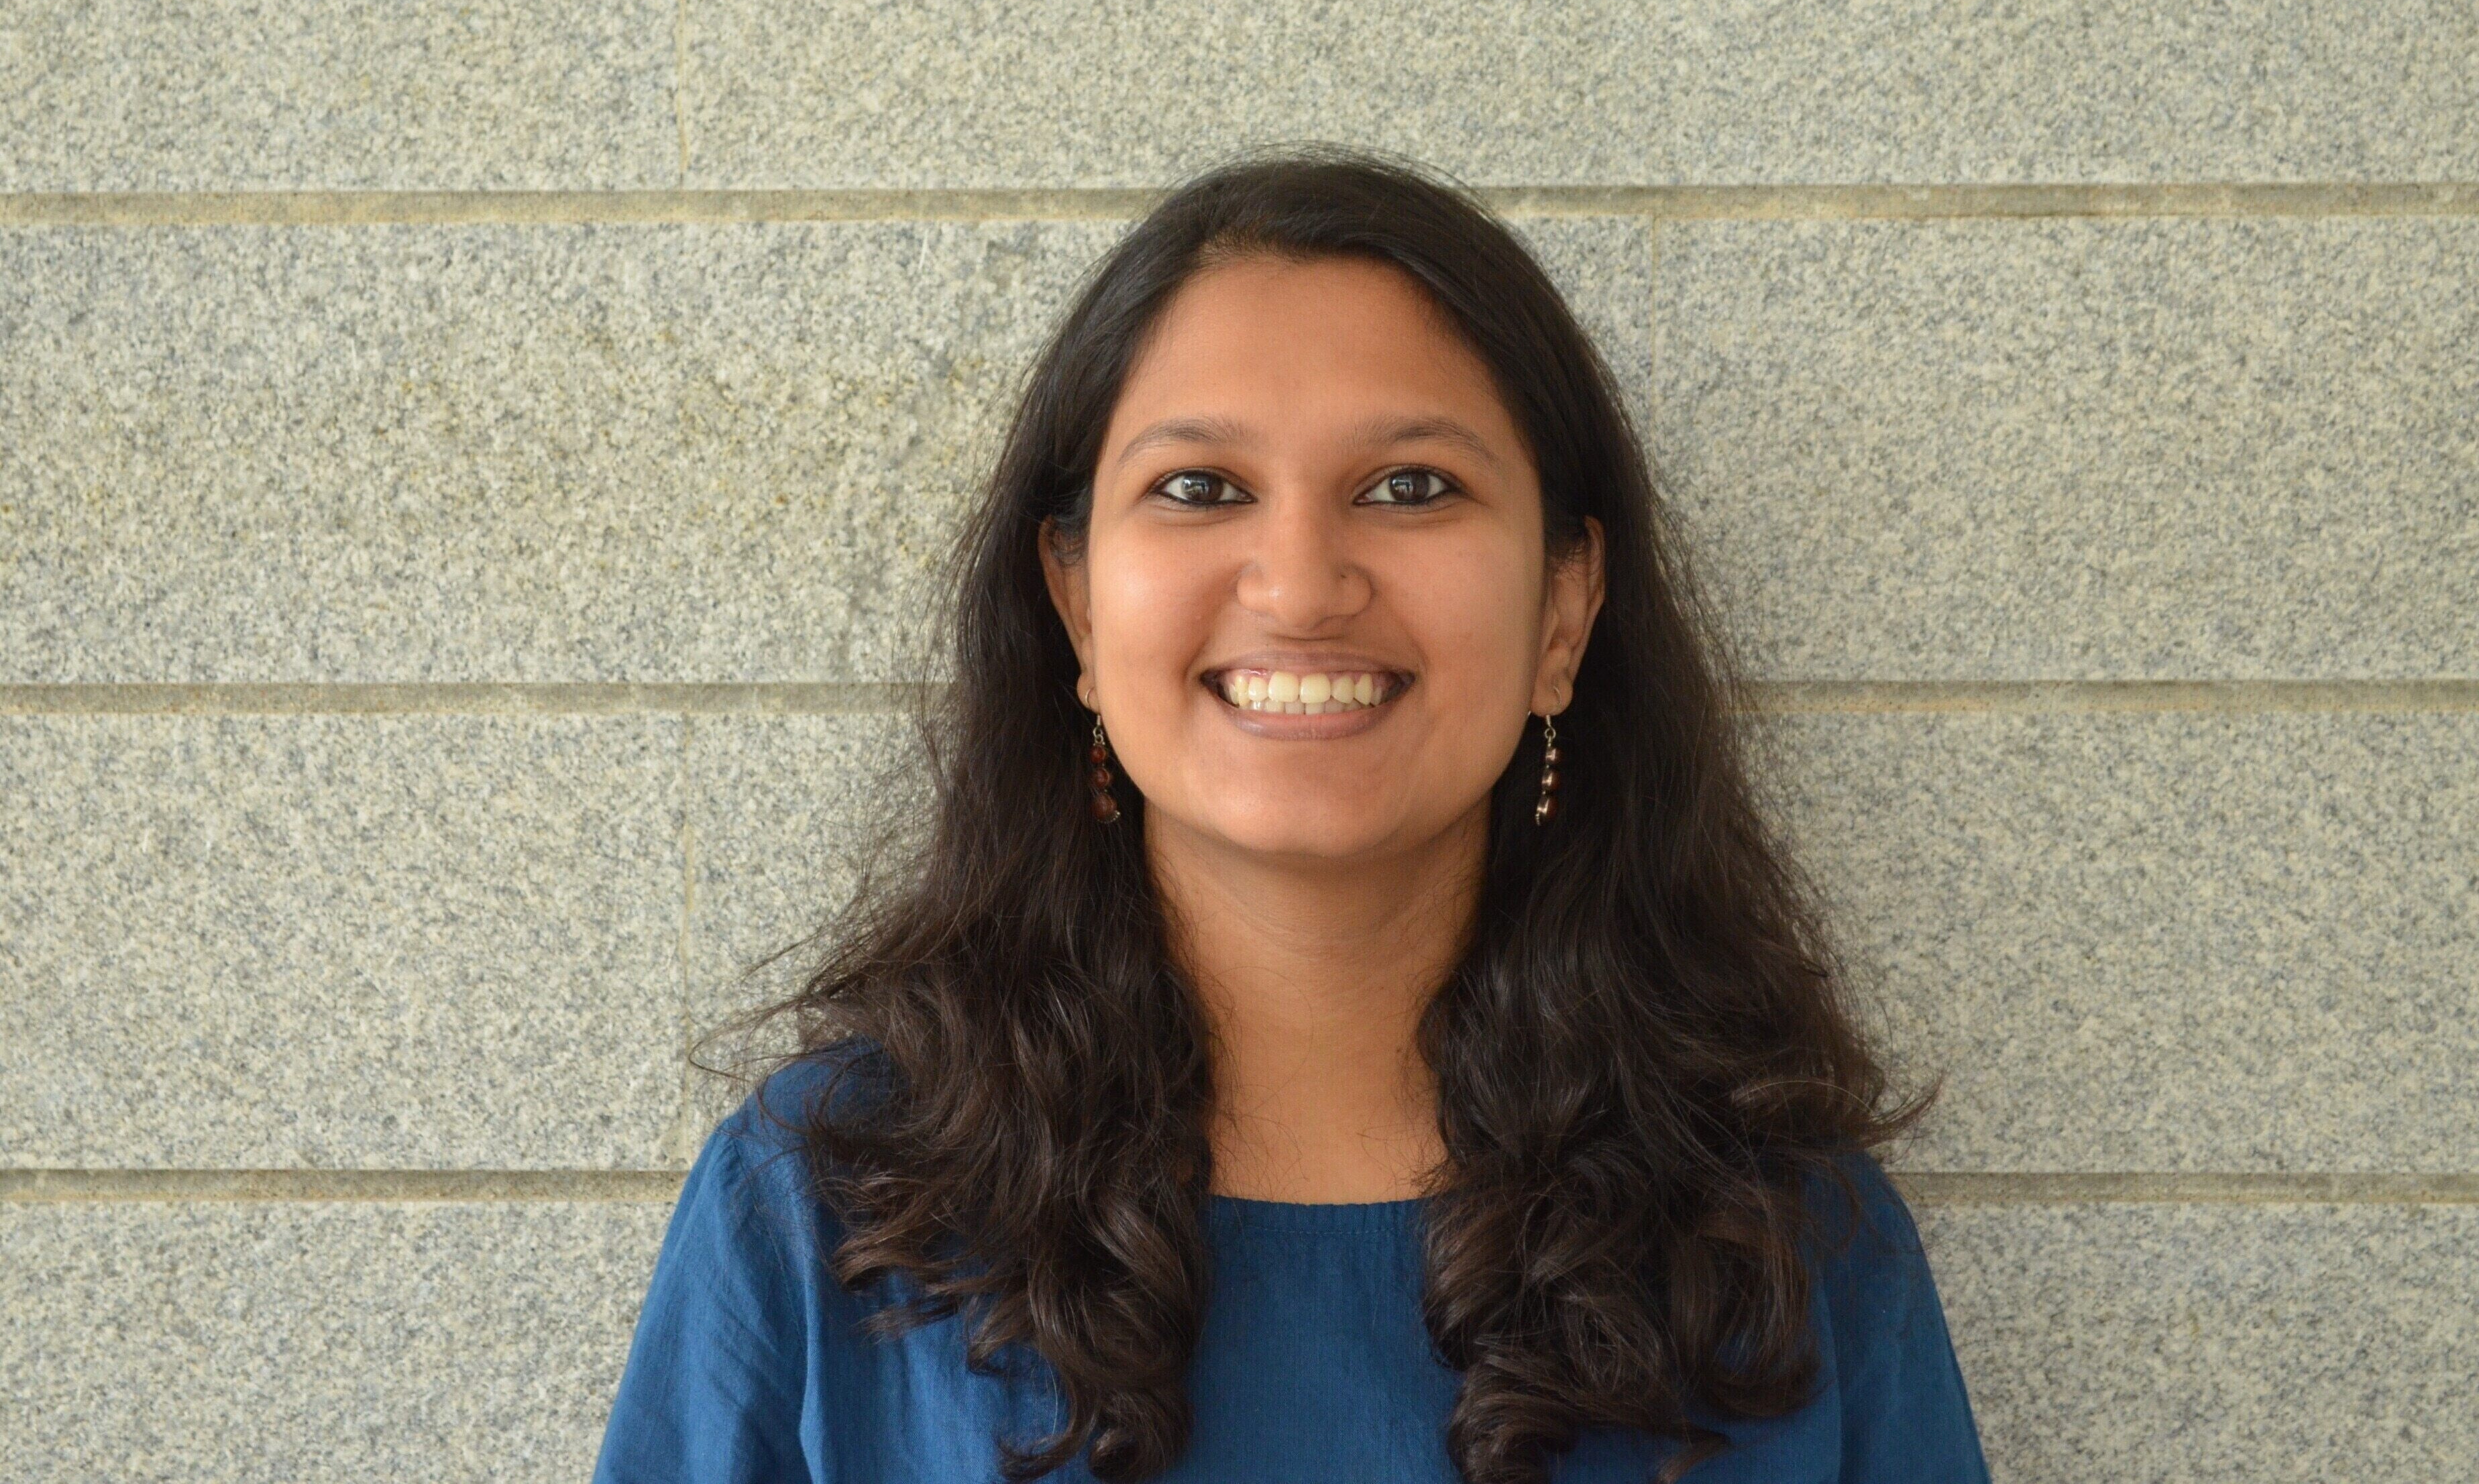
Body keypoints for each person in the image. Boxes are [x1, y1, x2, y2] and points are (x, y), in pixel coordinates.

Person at [593, 147, 1989, 1483]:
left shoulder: (1784, 1235)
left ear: (1565, 609)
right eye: (1200, 488)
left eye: (1411, 487)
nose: (1304, 583)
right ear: (1078, 607)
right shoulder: (823, 1207)